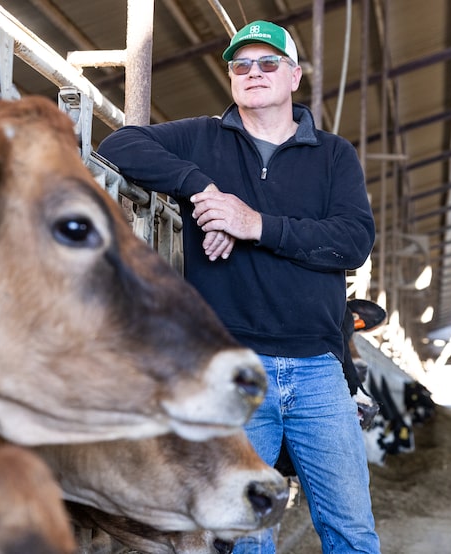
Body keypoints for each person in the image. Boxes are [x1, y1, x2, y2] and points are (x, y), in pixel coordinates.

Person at [97, 20, 380, 554]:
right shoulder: (203, 138)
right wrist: (203, 191)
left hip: (318, 369)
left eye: (268, 63)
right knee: (244, 535)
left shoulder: (333, 154)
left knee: (350, 527)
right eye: (241, 65)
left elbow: (353, 241)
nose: (254, 73)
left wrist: (253, 224)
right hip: (234, 369)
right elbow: (119, 145)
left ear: (293, 76)